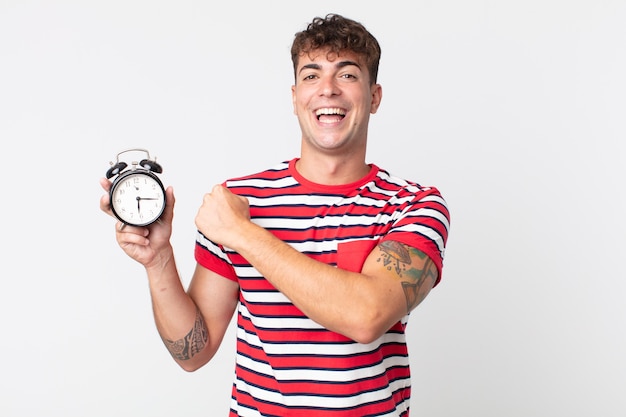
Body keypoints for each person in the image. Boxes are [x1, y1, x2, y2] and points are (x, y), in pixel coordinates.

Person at [100, 13, 450, 416]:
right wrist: (158, 259)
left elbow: (365, 315)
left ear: (374, 97)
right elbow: (192, 352)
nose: (328, 90)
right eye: (312, 75)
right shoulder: (239, 200)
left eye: (348, 75)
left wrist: (244, 234)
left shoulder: (415, 205)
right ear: (295, 95)